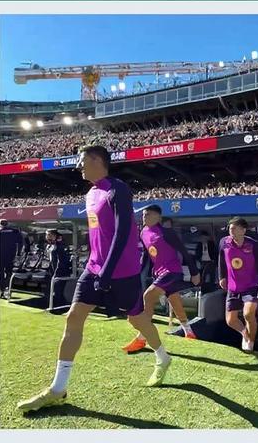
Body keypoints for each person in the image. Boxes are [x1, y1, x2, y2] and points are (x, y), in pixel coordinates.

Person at [17, 145, 171, 413]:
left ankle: (162, 356)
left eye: (82, 160)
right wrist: (95, 265)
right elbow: (99, 235)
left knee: (136, 319)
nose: (78, 166)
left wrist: (108, 271)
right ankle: (58, 388)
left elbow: (124, 231)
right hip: (95, 268)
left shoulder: (118, 189)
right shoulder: (90, 193)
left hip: (122, 271)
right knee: (73, 317)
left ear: (98, 160)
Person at [123, 205, 201, 352]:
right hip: (159, 273)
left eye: (148, 215)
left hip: (172, 271)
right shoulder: (143, 232)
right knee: (174, 301)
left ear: (158, 217)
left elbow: (184, 251)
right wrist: (138, 271)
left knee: (148, 296)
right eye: (144, 215)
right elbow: (146, 256)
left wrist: (194, 272)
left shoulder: (167, 233)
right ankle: (189, 332)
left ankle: (141, 338)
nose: (144, 217)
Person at [218, 217, 258, 352]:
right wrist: (221, 277)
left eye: (234, 228)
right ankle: (245, 334)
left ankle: (250, 343)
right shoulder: (224, 242)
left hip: (251, 285)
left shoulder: (254, 245)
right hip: (233, 287)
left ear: (243, 230)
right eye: (229, 228)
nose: (230, 231)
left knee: (248, 314)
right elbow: (220, 259)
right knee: (230, 320)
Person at [44, 229, 72, 306]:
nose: (47, 237)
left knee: (58, 290)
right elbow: (50, 259)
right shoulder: (49, 245)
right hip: (52, 271)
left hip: (61, 272)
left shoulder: (60, 245)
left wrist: (56, 273)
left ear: (54, 236)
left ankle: (60, 306)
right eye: (47, 235)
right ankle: (54, 304)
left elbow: (62, 260)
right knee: (51, 289)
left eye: (49, 235)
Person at [0, 220, 23, 299]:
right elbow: (20, 242)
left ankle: (2, 290)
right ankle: (6, 288)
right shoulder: (15, 231)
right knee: (9, 273)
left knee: (0, 273)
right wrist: (18, 253)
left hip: (0, 255)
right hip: (10, 255)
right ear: (8, 224)